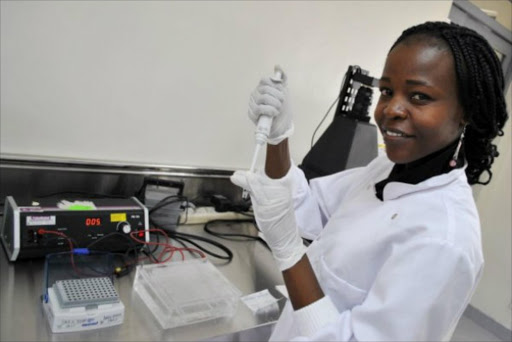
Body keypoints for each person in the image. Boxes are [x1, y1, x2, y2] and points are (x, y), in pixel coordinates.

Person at [231, 21, 509, 341]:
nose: (391, 109)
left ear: (466, 113)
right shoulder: (386, 169)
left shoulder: (444, 241)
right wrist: (279, 136)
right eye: (387, 91)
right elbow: (303, 205)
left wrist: (290, 252)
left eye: (419, 96)